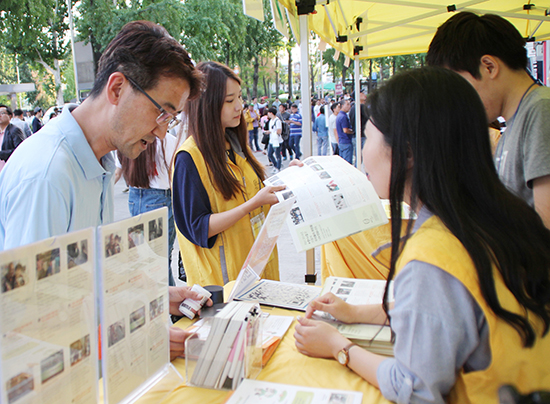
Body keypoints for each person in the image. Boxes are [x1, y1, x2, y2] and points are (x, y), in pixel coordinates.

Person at [294, 67, 550, 403]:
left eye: (369, 137)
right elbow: (452, 311)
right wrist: (355, 313)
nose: (363, 153)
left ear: (409, 152)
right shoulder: (507, 216)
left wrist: (339, 347)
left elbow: (415, 389)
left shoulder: (433, 253)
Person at [0, 20, 202, 252]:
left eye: (171, 118)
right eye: (161, 112)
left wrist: (159, 290)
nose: (162, 132)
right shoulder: (47, 175)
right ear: (117, 89)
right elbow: (35, 289)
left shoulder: (99, 163)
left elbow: (83, 277)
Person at [426, 12, 550, 229]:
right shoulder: (514, 122)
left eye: (459, 87)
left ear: (489, 67)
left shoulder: (541, 110)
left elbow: (545, 225)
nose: (458, 102)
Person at [173, 61, 284, 287]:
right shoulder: (189, 158)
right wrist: (251, 205)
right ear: (208, 105)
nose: (239, 107)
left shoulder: (236, 145)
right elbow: (198, 228)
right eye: (229, 101)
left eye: (240, 98)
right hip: (225, 288)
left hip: (260, 273)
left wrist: (289, 180)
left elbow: (258, 197)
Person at [115, 134, 179, 286]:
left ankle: (164, 301)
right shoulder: (166, 140)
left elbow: (117, 172)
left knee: (147, 258)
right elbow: (175, 174)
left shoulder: (126, 139)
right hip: (159, 198)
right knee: (159, 259)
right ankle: (170, 303)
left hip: (135, 196)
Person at [0, 105, 25, 171]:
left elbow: (20, 150)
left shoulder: (14, 130)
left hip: (9, 170)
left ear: (10, 116)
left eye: (2, 113)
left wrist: (1, 154)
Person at [264, 107, 282, 172]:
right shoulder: (271, 121)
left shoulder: (277, 121)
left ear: (271, 113)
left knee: (277, 155)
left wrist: (271, 132)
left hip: (277, 140)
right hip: (271, 140)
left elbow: (279, 131)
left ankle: (278, 168)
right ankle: (275, 165)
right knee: (269, 154)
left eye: (268, 113)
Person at [336, 99, 353, 164]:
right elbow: (345, 130)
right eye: (348, 104)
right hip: (346, 141)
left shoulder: (339, 115)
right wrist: (353, 131)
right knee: (347, 163)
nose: (349, 106)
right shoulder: (343, 117)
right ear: (342, 106)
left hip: (341, 142)